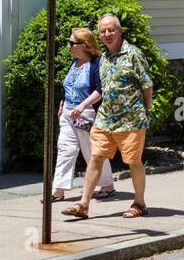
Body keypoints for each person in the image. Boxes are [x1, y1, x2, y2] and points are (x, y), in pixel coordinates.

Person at [63, 13, 152, 220]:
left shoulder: (133, 54)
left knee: (133, 161)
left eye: (111, 30)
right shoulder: (103, 58)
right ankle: (83, 204)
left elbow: (147, 85)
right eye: (103, 31)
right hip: (105, 119)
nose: (107, 34)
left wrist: (146, 112)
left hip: (130, 119)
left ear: (120, 31)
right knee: (95, 157)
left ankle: (139, 203)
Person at [44, 28, 115, 203]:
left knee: (92, 152)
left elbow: (100, 89)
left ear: (83, 45)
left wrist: (83, 105)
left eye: (71, 43)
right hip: (68, 114)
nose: (68, 46)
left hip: (86, 114)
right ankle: (58, 189)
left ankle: (107, 185)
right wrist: (62, 102)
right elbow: (69, 86)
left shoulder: (96, 64)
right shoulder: (74, 63)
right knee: (65, 149)